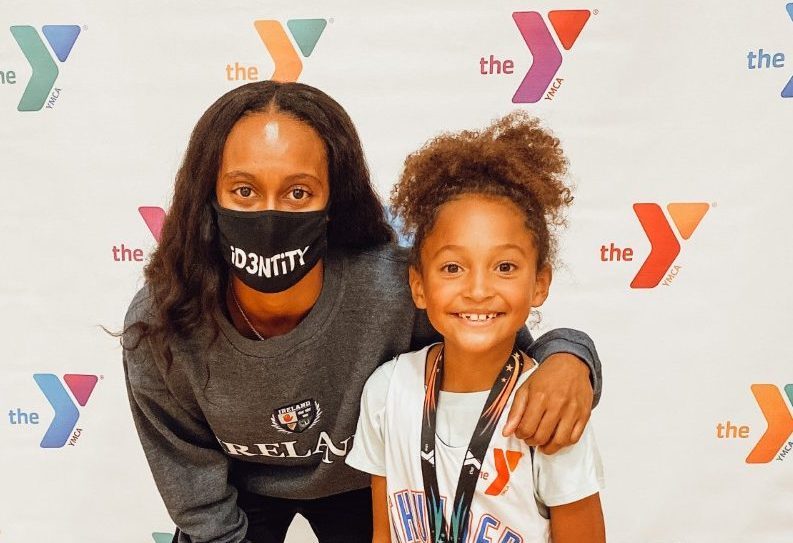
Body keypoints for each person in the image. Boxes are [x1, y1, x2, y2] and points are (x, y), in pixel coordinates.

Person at [121, 81, 603, 543]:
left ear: (333, 200)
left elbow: (505, 347)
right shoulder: (162, 320)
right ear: (209, 196)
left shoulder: (394, 289)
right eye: (244, 191)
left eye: (299, 192)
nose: (270, 215)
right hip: (239, 491)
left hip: (362, 481)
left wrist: (571, 358)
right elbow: (192, 483)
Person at [346, 112, 606, 543]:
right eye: (453, 267)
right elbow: (383, 533)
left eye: (505, 267)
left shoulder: (549, 407)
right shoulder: (386, 392)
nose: (479, 290)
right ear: (419, 286)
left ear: (540, 284)